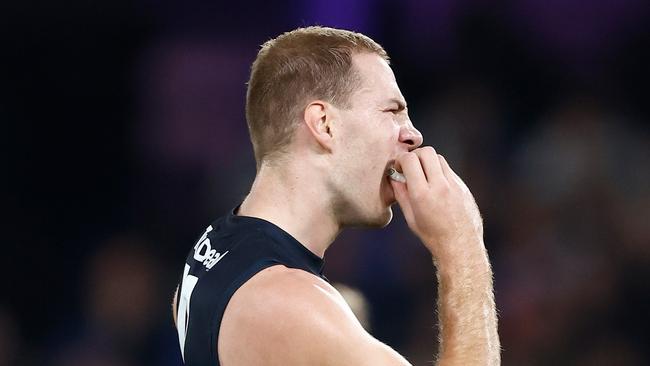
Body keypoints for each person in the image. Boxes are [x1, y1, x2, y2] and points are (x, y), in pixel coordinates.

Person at [172, 26, 500, 366]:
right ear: (324, 124)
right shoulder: (289, 305)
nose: (414, 135)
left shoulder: (213, 247)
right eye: (392, 111)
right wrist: (462, 248)